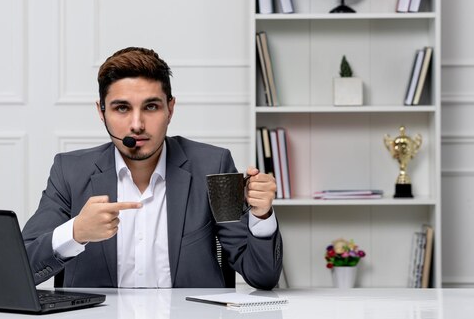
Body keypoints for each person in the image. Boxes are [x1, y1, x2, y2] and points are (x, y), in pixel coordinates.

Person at [22, 47, 282, 289]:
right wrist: (75, 232)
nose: (137, 124)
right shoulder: (69, 171)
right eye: (122, 108)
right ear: (101, 112)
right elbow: (22, 270)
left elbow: (263, 276)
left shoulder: (213, 165)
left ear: (170, 109)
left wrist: (261, 216)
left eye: (151, 107)